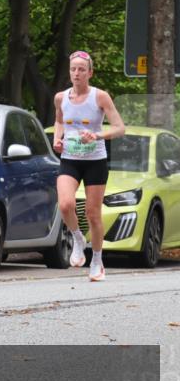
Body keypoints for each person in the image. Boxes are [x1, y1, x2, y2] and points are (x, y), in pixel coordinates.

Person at [52, 50, 125, 282]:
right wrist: (57, 137)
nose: (76, 73)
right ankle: (77, 238)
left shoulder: (100, 97)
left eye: (81, 69)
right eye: (73, 69)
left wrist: (97, 135)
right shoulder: (61, 98)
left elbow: (119, 128)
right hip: (70, 159)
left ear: (90, 73)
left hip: (95, 161)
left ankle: (96, 260)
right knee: (65, 204)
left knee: (93, 214)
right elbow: (59, 120)